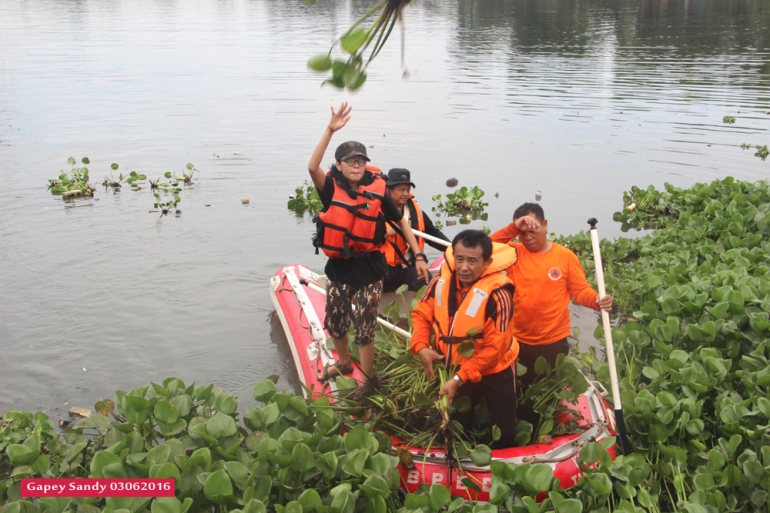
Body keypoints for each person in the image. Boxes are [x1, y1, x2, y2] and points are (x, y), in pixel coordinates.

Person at [308, 102, 429, 384]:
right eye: (350, 161)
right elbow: (312, 166)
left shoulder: (376, 190)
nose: (357, 165)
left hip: (369, 270)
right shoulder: (329, 189)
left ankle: (368, 378)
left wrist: (419, 255)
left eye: (361, 161)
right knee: (336, 323)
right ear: (339, 165)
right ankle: (344, 364)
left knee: (364, 328)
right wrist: (330, 129)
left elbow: (400, 221)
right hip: (339, 269)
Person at [410, 230, 519, 449]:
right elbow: (421, 313)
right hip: (454, 367)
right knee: (457, 427)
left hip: (494, 371)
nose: (464, 267)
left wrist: (459, 378)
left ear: (487, 262)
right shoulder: (440, 282)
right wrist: (420, 346)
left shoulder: (499, 295)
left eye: (472, 261)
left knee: (505, 434)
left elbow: (494, 349)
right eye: (459, 259)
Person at [491, 202, 613, 386]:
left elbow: (580, 291)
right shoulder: (513, 252)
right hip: (516, 339)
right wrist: (513, 228)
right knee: (520, 390)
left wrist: (597, 300)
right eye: (522, 233)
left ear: (545, 224)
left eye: (533, 230)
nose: (528, 237)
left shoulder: (565, 256)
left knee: (548, 389)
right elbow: (485, 247)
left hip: (553, 341)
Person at [381, 168, 450, 293]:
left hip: (406, 268)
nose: (405, 194)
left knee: (428, 281)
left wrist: (452, 248)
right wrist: (389, 232)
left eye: (408, 190)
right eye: (401, 190)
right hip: (380, 269)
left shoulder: (414, 211)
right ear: (388, 190)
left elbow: (431, 233)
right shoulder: (376, 209)